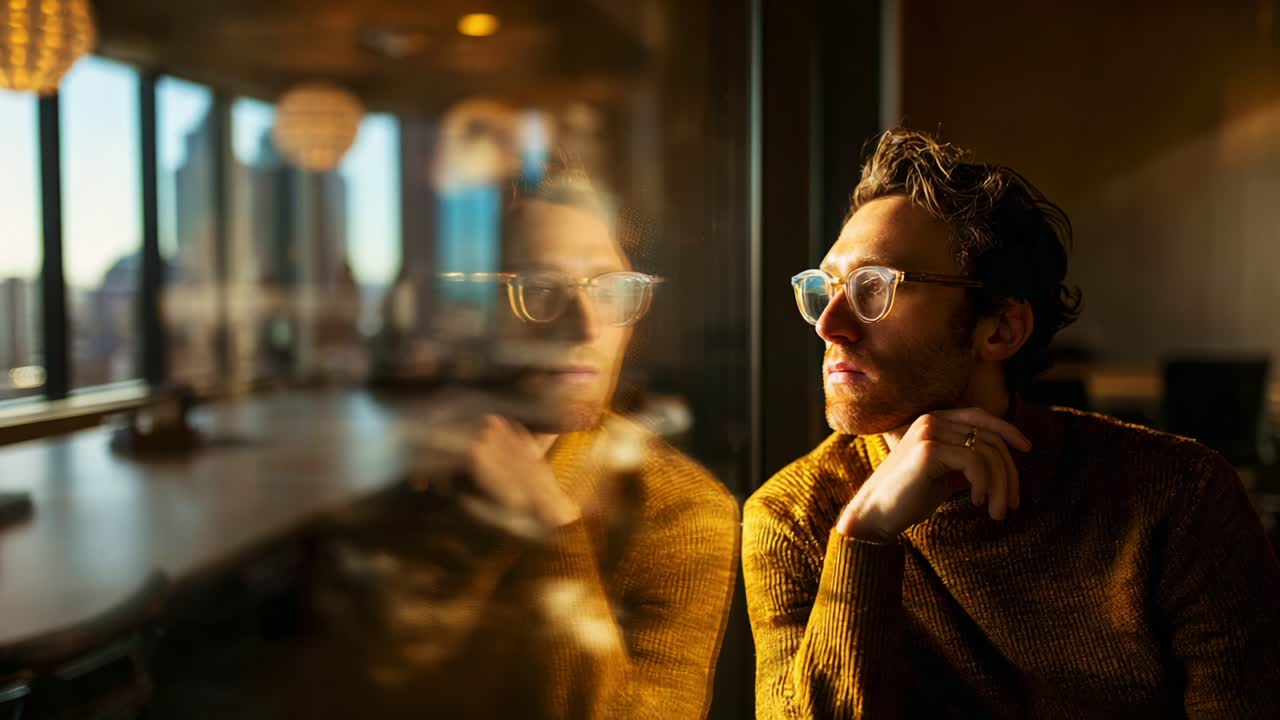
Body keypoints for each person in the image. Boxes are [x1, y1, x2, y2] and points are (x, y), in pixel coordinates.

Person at [741, 129, 1280, 718]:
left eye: (875, 287)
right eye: (826, 289)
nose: (829, 324)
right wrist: (866, 537)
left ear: (1000, 329)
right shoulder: (794, 518)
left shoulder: (1179, 497)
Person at [303, 167, 739, 719]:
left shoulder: (681, 509)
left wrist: (547, 521)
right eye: (538, 290)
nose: (584, 326)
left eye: (609, 289)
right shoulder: (386, 472)